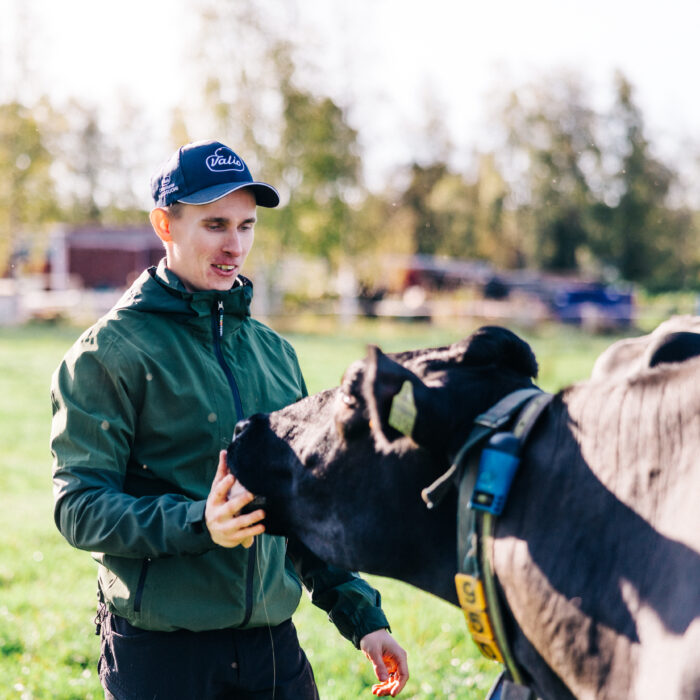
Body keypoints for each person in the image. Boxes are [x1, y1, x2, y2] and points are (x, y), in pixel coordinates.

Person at [50, 139, 409, 699]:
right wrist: (201, 522)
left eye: (246, 226)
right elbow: (79, 508)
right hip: (163, 657)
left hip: (272, 651)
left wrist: (364, 618)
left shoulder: (274, 353)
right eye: (215, 224)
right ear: (164, 225)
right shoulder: (109, 354)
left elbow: (302, 504)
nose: (234, 245)